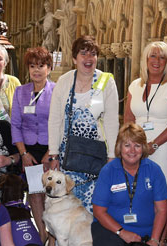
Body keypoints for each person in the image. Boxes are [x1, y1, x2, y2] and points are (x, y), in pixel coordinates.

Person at [48, 35, 119, 213]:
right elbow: (55, 119)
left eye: (93, 54)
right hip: (68, 156)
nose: (88, 58)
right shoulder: (64, 81)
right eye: (83, 53)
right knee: (67, 210)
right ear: (74, 58)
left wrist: (112, 156)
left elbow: (111, 121)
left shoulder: (106, 81)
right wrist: (54, 154)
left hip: (95, 157)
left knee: (94, 209)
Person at [123, 41, 167, 246]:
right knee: (138, 188)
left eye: (161, 57)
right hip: (136, 148)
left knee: (162, 192)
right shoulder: (135, 85)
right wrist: (131, 144)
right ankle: (142, 233)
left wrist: (154, 145)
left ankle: (162, 239)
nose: (156, 61)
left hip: (161, 146)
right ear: (145, 60)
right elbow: (129, 119)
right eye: (152, 56)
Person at [91, 123, 167, 246]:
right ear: (119, 147)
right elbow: (99, 211)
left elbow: (161, 210)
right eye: (127, 145)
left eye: (137, 146)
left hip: (144, 234)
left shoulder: (154, 170)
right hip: (112, 231)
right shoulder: (108, 171)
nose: (132, 151)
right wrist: (121, 232)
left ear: (143, 148)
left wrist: (154, 239)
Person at [10, 47, 55, 244]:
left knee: (52, 194)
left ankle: (54, 238)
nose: (37, 70)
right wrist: (24, 153)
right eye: (32, 66)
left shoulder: (56, 91)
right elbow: (15, 124)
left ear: (49, 68)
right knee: (36, 194)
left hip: (51, 149)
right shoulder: (20, 92)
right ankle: (42, 235)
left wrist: (51, 153)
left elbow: (60, 123)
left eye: (41, 66)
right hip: (29, 151)